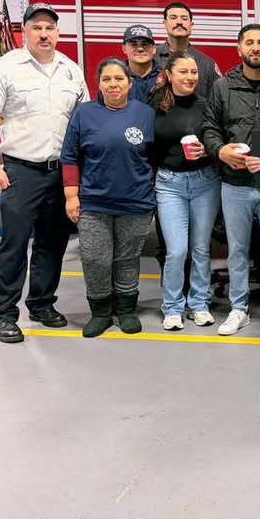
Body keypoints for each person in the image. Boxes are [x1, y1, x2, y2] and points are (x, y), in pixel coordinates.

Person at [0, 2, 89, 343]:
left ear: (57, 32)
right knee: (14, 244)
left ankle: (41, 303)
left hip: (60, 173)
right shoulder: (4, 68)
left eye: (49, 28)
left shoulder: (71, 70)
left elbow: (83, 125)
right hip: (21, 170)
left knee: (53, 243)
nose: (44, 33)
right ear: (25, 31)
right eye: (36, 27)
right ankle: (4, 314)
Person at [202, 23, 260, 336]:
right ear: (239, 49)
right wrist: (221, 150)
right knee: (237, 250)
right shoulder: (223, 87)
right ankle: (239, 308)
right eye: (249, 42)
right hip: (234, 184)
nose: (256, 48)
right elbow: (209, 128)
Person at [61, 59, 156, 338]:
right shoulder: (84, 114)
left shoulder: (146, 114)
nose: (113, 84)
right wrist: (71, 195)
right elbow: (69, 156)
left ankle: (126, 310)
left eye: (119, 79)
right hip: (93, 203)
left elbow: (153, 157)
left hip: (135, 202)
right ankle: (101, 312)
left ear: (129, 83)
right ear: (98, 84)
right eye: (106, 79)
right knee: (95, 259)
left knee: (127, 258)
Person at [149, 52, 221, 331]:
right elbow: (148, 147)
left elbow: (218, 138)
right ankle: (172, 306)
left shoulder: (207, 105)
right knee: (176, 250)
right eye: (183, 72)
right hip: (169, 185)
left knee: (201, 249)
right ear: (169, 75)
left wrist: (207, 150)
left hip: (205, 182)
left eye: (193, 73)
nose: (190, 77)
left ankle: (199, 304)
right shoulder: (155, 106)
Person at [156, 2, 222, 99]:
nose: (179, 22)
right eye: (173, 18)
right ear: (165, 24)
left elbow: (218, 100)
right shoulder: (152, 59)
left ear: (191, 26)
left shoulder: (207, 64)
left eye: (184, 18)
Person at [122, 24, 160, 102]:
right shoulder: (115, 77)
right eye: (133, 44)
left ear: (154, 49)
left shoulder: (166, 77)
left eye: (145, 44)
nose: (140, 49)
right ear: (124, 48)